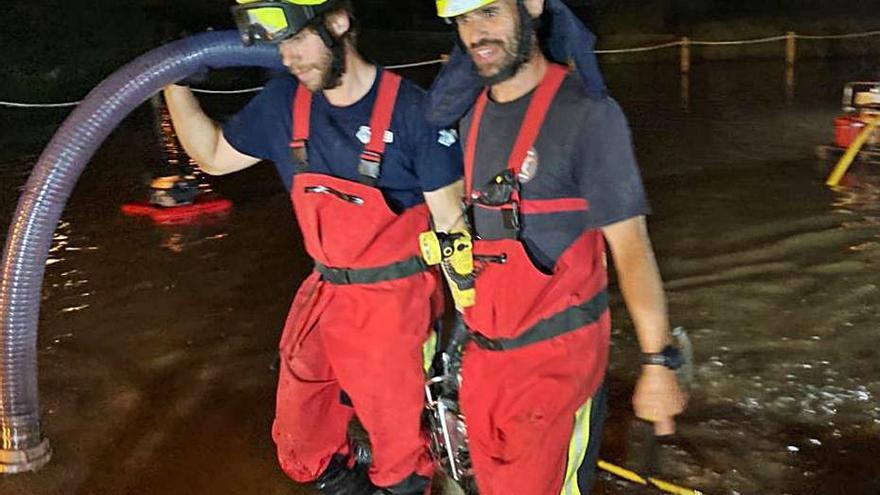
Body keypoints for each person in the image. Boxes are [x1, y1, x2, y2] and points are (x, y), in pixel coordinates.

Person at [162, 1, 466, 493]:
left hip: (394, 305)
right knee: (302, 439)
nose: (289, 57)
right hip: (325, 292)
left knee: (400, 453)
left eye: (298, 38)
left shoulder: (415, 114)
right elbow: (214, 157)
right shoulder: (285, 102)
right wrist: (173, 82)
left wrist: (471, 333)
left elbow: (453, 225)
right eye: (280, 45)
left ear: (340, 21)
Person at [431, 1, 688, 493]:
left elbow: (631, 248)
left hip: (557, 370)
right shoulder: (470, 115)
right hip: (486, 364)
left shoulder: (587, 114)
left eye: (488, 13)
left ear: (529, 7)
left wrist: (657, 361)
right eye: (463, 21)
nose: (475, 34)